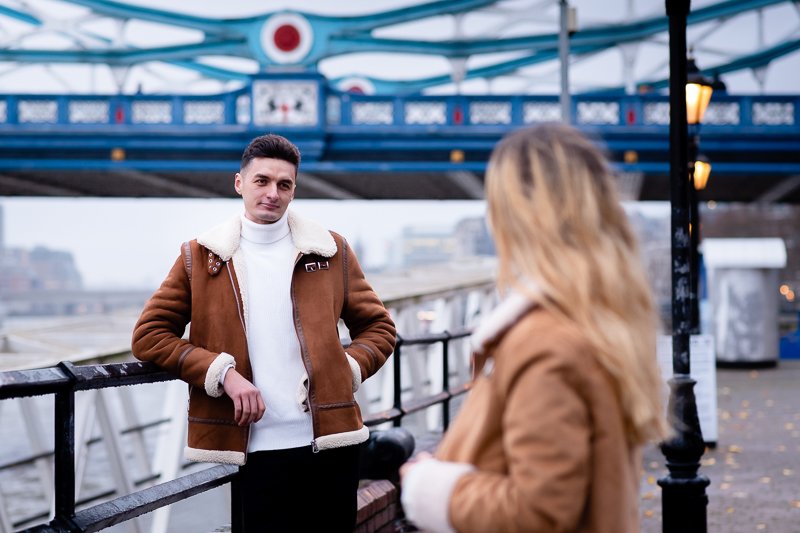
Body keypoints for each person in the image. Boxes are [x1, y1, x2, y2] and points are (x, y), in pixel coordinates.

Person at [399, 124, 667, 533]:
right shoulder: (600, 323)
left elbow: (539, 512)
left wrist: (429, 487)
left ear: (519, 214)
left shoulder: (545, 345)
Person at [132, 133, 396, 532]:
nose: (272, 192)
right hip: (251, 447)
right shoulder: (201, 256)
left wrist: (346, 368)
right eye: (262, 181)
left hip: (331, 441)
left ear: (294, 190)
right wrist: (222, 374)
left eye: (284, 184)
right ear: (239, 183)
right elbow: (149, 335)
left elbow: (379, 328)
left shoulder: (329, 251)